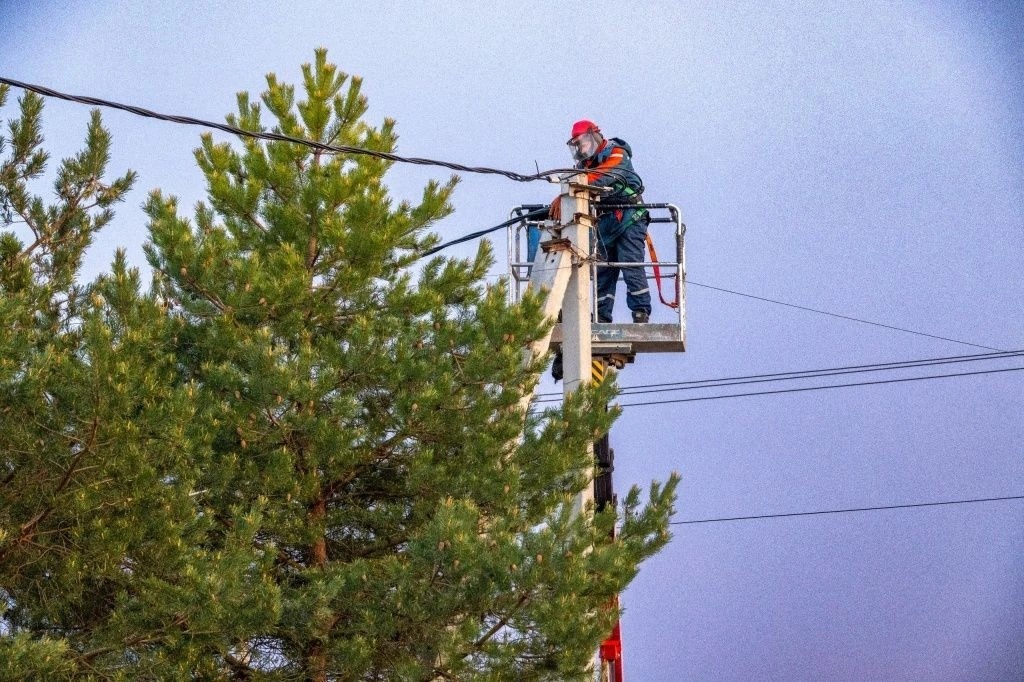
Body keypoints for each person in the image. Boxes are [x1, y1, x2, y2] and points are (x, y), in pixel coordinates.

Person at [559, 120, 651, 324]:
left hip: (629, 216)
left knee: (630, 263)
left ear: (593, 136)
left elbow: (606, 175)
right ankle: (602, 316)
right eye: (576, 145)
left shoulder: (617, 152)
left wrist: (572, 187)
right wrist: (563, 197)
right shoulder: (584, 166)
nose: (580, 148)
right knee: (603, 270)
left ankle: (640, 311)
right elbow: (583, 183)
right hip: (604, 222)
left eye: (581, 142)